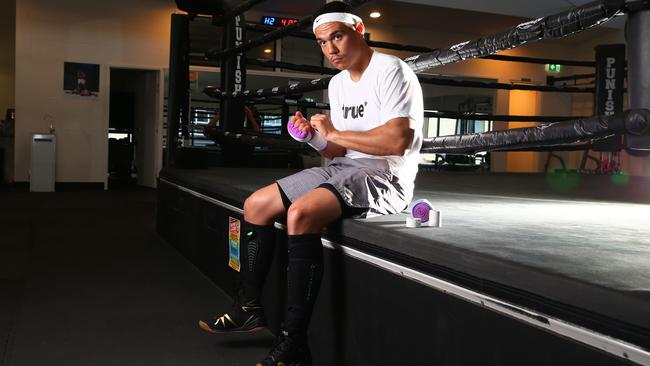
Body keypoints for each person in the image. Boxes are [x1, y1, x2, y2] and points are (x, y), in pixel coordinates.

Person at [199, 2, 423, 365]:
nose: (330, 50)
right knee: (255, 205)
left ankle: (294, 342)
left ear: (359, 31)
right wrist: (314, 139)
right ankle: (248, 306)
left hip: (386, 176)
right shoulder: (337, 84)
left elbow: (397, 142)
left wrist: (336, 131)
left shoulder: (391, 71)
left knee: (300, 214)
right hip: (346, 168)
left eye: (337, 37)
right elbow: (338, 149)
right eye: (322, 42)